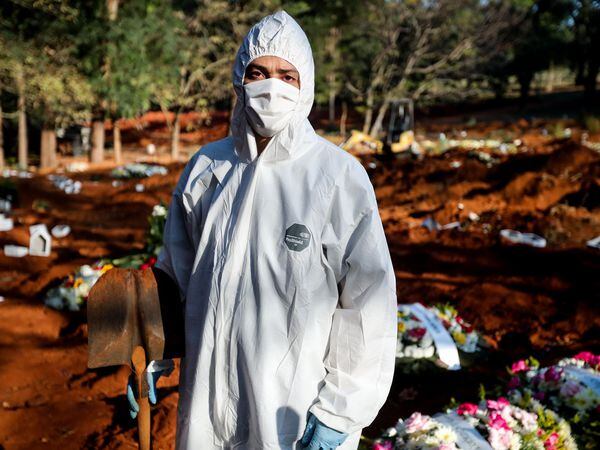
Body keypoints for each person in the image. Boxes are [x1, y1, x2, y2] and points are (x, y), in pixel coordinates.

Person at [127, 10, 397, 450]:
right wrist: (151, 355)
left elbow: (369, 300)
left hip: (293, 403)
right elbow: (174, 275)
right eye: (259, 72)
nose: (271, 86)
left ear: (304, 84)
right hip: (206, 400)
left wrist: (341, 410)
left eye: (286, 75)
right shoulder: (207, 169)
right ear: (240, 80)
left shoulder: (336, 176)